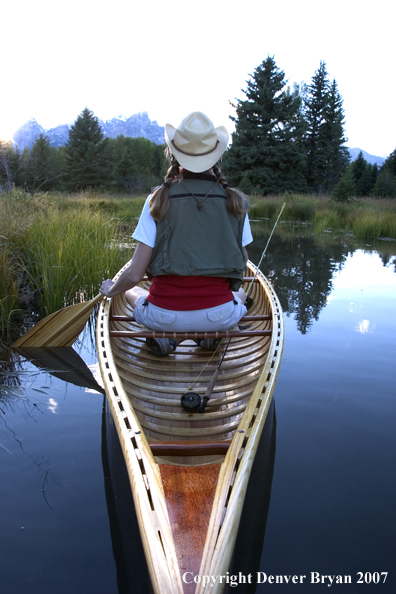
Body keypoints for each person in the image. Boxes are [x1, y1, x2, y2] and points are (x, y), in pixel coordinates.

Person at [100, 111, 253, 356]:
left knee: (130, 290)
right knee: (242, 292)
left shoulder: (157, 199)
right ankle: (205, 338)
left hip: (163, 316)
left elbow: (135, 274)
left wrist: (112, 290)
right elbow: (242, 261)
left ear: (174, 155)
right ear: (216, 156)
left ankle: (171, 340)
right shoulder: (236, 201)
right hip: (219, 316)